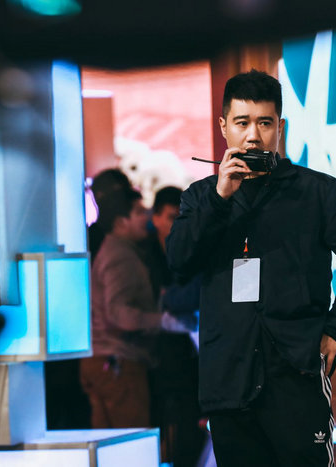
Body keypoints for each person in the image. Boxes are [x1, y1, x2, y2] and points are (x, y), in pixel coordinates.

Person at [165, 69, 336, 466]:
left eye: (264, 123)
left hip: (295, 379)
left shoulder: (317, 192)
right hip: (229, 383)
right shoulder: (202, 197)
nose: (253, 135)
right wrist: (220, 199)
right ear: (224, 127)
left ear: (280, 128)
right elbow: (178, 262)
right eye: (242, 123)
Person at [80, 188, 192, 428]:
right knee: (130, 436)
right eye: (140, 212)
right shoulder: (120, 255)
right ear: (121, 221)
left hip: (107, 360)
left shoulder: (121, 251)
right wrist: (163, 321)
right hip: (119, 360)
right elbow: (119, 313)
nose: (147, 217)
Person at [141, 186, 204, 467]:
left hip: (187, 358)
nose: (176, 223)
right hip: (158, 358)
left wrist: (171, 300)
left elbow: (189, 295)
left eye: (181, 217)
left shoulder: (191, 250)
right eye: (170, 216)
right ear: (155, 217)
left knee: (188, 433)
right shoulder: (146, 254)